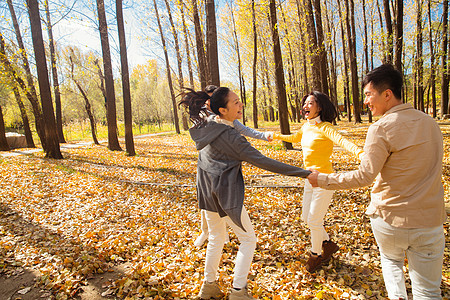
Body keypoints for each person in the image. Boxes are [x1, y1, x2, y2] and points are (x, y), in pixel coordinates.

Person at [307, 64, 446, 299]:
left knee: (391, 263)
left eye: (369, 95)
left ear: (387, 94)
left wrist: (322, 179)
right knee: (429, 291)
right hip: (429, 222)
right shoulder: (431, 123)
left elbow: (364, 175)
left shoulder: (381, 127)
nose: (366, 102)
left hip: (390, 218)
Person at [179, 87, 311, 300]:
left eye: (240, 101)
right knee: (248, 240)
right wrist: (304, 173)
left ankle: (208, 286)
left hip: (207, 191)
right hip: (223, 194)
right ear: (222, 110)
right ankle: (238, 291)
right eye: (236, 102)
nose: (241, 105)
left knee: (216, 238)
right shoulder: (230, 136)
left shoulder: (208, 124)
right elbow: (264, 161)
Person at [272, 91, 364, 273]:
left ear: (319, 107)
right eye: (304, 103)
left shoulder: (326, 128)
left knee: (314, 220)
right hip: (309, 179)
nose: (305, 106)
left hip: (325, 180)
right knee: (306, 218)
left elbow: (344, 142)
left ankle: (316, 256)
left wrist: (363, 155)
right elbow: (293, 138)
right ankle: (328, 244)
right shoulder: (306, 127)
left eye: (310, 103)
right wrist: (274, 136)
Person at [194, 85, 273, 247]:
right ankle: (208, 233)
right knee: (209, 211)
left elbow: (246, 130)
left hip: (224, 174)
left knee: (224, 214)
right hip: (206, 172)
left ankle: (223, 237)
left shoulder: (230, 122)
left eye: (212, 99)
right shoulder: (207, 120)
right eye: (208, 100)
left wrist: (264, 136)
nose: (209, 103)